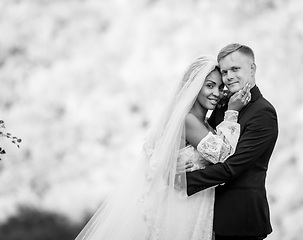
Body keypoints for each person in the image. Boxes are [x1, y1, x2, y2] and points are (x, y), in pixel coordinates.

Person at [74, 55, 251, 240]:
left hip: (193, 205)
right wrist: (232, 112)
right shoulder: (188, 120)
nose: (216, 92)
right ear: (194, 87)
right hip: (181, 209)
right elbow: (224, 156)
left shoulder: (202, 122)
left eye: (220, 87)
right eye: (209, 85)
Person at [186, 44, 279, 240]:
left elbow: (231, 168)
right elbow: (204, 146)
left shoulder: (263, 113)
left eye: (235, 69)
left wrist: (184, 181)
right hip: (209, 215)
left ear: (252, 69)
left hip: (242, 218)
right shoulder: (224, 104)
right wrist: (174, 164)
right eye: (225, 71)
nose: (229, 77)